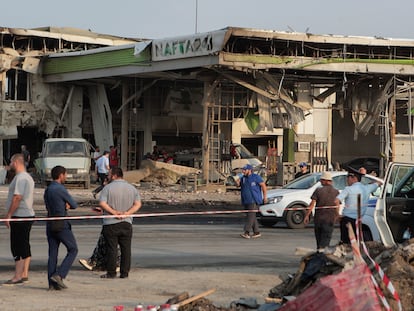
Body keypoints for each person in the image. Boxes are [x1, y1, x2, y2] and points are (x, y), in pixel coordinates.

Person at [98, 167, 142, 279]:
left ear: (114, 176)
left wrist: (114, 213)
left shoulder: (107, 188)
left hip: (110, 223)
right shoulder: (132, 188)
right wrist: (127, 213)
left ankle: (111, 272)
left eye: (109, 174)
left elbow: (102, 203)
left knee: (112, 249)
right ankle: (124, 273)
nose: (107, 176)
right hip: (127, 222)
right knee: (126, 249)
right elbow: (137, 204)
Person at [44, 165, 79, 290]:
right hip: (61, 223)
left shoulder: (48, 189)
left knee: (53, 254)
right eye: (65, 175)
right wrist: (67, 206)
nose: (66, 177)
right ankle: (59, 275)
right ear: (61, 175)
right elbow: (74, 204)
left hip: (50, 221)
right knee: (73, 249)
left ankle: (51, 284)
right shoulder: (60, 189)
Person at [4, 153, 35, 285]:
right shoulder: (27, 177)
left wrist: (9, 215)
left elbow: (17, 197)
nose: (10, 165)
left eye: (11, 162)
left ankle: (17, 276)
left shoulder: (21, 178)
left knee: (17, 246)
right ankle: (24, 273)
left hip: (20, 216)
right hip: (27, 215)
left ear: (16, 162)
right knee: (24, 244)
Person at [335, 167, 382, 244]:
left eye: (348, 178)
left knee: (346, 242)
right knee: (356, 242)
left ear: (353, 178)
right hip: (359, 220)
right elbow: (379, 182)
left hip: (347, 220)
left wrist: (337, 215)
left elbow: (336, 201)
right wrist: (365, 177)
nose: (347, 180)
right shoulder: (367, 188)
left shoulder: (348, 189)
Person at [304, 171, 339, 251]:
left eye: (321, 180)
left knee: (319, 241)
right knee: (325, 242)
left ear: (325, 181)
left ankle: (319, 257)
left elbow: (312, 204)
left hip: (319, 219)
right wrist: (337, 216)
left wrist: (307, 216)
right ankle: (322, 257)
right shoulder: (336, 192)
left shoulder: (318, 191)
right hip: (330, 220)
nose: (320, 182)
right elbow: (337, 205)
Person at [237, 164, 267, 239]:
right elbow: (239, 186)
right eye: (243, 170)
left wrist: (265, 197)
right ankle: (256, 232)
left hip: (254, 200)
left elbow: (263, 186)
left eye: (245, 170)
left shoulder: (256, 177)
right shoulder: (243, 178)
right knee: (251, 216)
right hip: (246, 200)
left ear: (249, 170)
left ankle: (246, 232)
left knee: (250, 216)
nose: (243, 171)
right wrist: (237, 182)